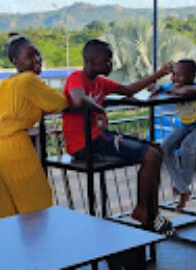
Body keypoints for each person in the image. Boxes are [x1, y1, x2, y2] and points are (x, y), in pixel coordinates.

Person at [61, 39, 174, 235]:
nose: (111, 64)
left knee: (156, 150)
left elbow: (129, 90)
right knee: (150, 155)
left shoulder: (101, 82)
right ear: (91, 60)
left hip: (99, 137)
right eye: (107, 60)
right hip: (85, 143)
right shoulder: (76, 77)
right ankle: (143, 211)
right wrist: (100, 110)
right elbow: (79, 99)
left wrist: (160, 73)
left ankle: (150, 211)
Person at [0, 33, 67, 220]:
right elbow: (59, 103)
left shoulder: (7, 82)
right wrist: (36, 109)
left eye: (38, 55)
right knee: (37, 204)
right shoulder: (28, 79)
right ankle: (41, 248)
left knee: (2, 209)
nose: (37, 60)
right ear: (16, 61)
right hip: (14, 145)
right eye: (30, 57)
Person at [151, 59, 196, 211]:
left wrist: (174, 90)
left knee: (187, 147)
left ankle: (182, 188)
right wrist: (157, 85)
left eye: (179, 76)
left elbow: (192, 92)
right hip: (186, 127)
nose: (174, 79)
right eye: (173, 75)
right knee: (163, 148)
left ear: (192, 76)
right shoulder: (173, 85)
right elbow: (156, 87)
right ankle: (183, 188)